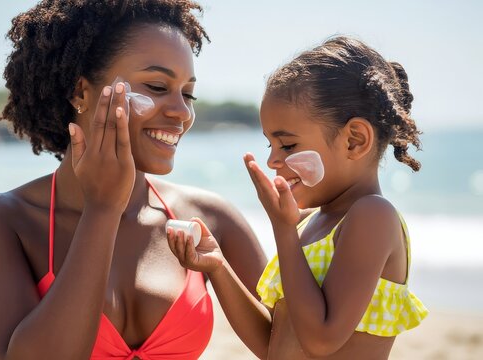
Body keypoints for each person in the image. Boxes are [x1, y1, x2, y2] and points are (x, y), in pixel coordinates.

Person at [0, 1, 267, 359]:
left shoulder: (210, 218)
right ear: (81, 93)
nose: (182, 112)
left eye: (188, 93)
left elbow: (295, 347)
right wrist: (103, 209)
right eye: (156, 86)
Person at [167, 36, 428, 359]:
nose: (273, 162)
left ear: (354, 141)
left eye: (288, 145)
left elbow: (320, 339)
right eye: (270, 146)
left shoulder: (372, 217)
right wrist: (218, 267)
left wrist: (283, 231)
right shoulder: (307, 225)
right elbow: (272, 344)